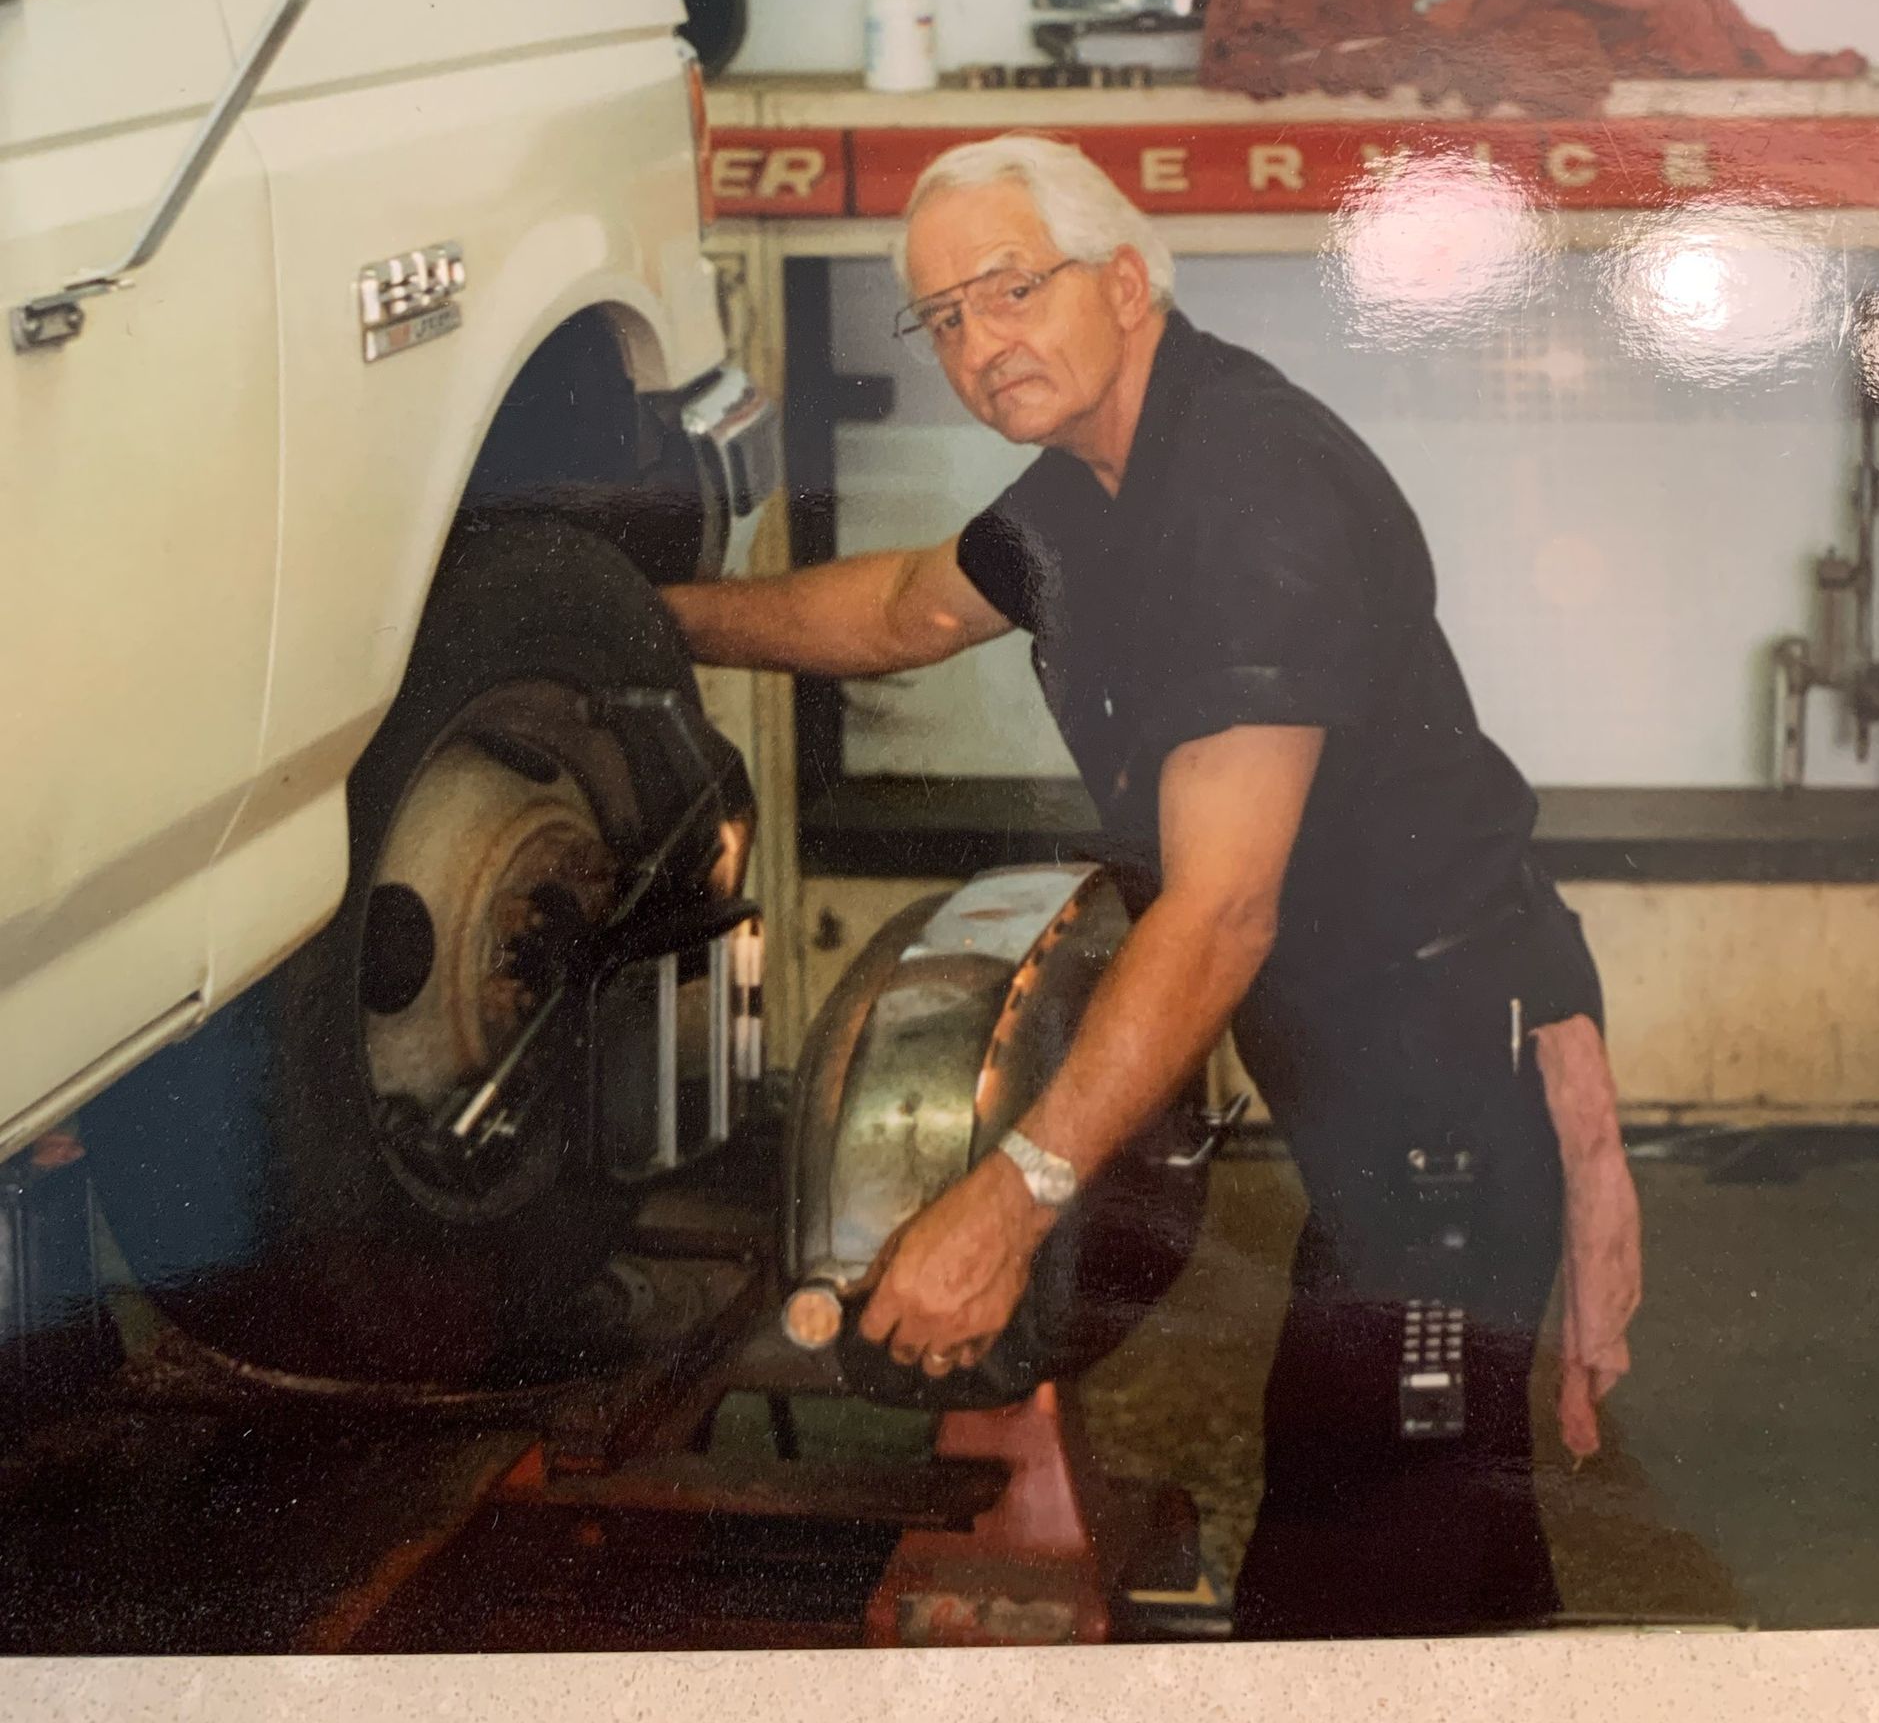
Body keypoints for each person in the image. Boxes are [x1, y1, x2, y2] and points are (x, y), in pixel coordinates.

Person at [663, 131, 1640, 1639]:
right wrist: (650, 623)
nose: (981, 345)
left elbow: (1222, 911)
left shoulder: (1250, 497)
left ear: (1124, 282)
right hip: (1386, 1075)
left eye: (1011, 289)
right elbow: (908, 607)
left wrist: (1006, 1206)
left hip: (1442, 1099)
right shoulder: (1094, 486)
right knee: (1413, 1511)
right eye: (945, 318)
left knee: (1372, 1533)